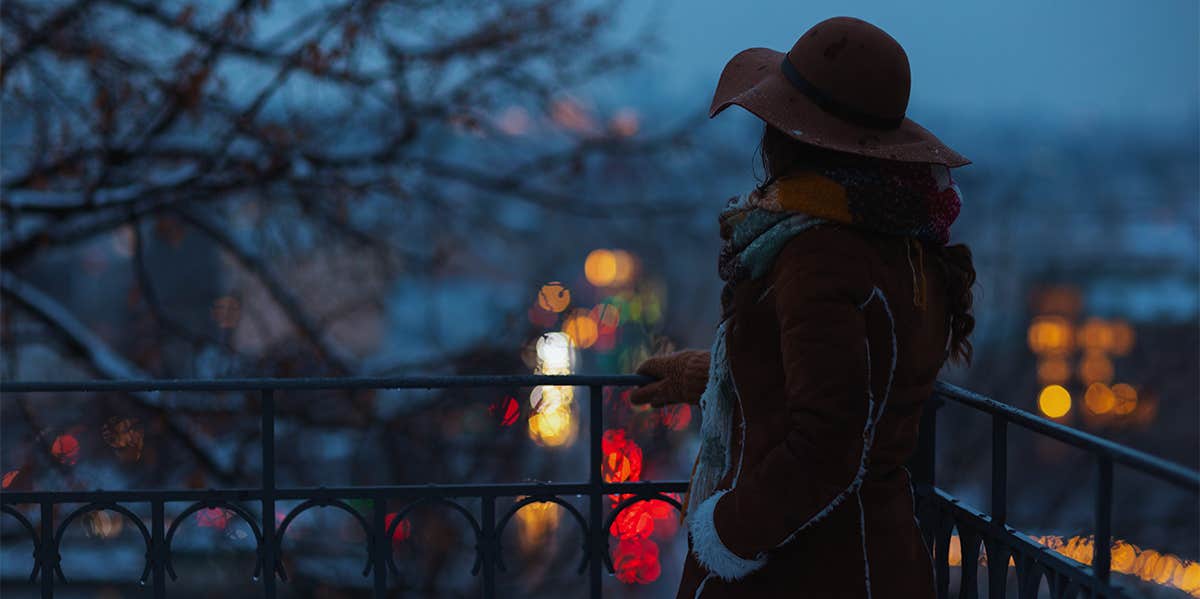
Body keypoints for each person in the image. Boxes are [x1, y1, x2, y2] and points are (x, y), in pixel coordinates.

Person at [630, 16, 977, 598]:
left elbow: (827, 443)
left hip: (808, 567)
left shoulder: (821, 252)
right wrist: (711, 372)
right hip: (876, 552)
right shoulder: (901, 238)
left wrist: (725, 533)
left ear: (791, 139)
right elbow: (856, 380)